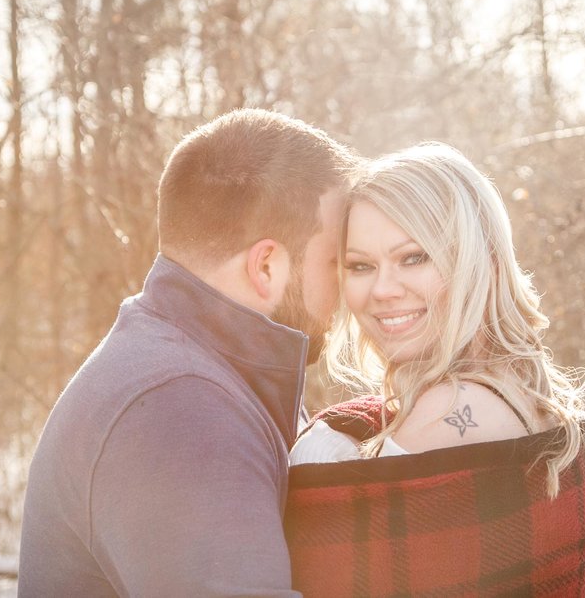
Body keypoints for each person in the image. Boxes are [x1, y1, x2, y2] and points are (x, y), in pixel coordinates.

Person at [18, 109, 359, 596]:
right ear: (267, 266)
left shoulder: (190, 369)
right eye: (334, 262)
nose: (344, 291)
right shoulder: (185, 412)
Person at [285, 143, 585, 597]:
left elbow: (325, 574)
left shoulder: (456, 408)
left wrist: (315, 447)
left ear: (474, 260)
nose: (382, 290)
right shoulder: (514, 391)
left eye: (413, 257)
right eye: (360, 266)